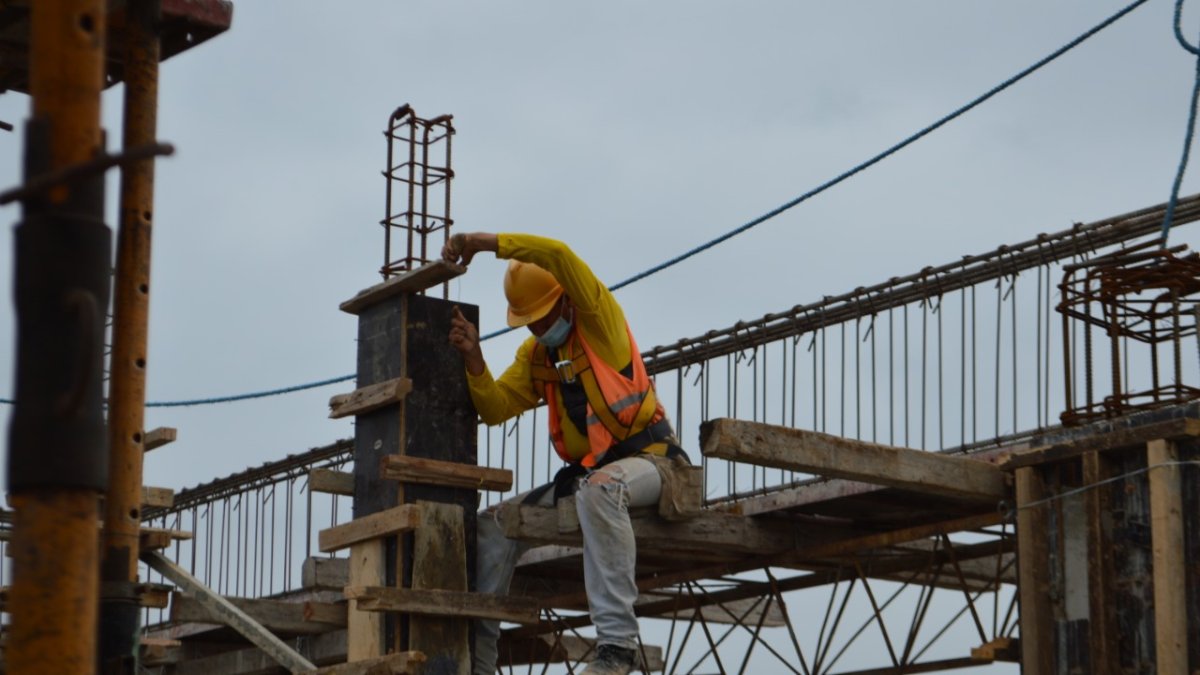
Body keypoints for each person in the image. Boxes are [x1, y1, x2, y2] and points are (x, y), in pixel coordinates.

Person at [443, 232, 688, 675]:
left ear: (566, 301)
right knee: (494, 524)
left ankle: (616, 647)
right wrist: (474, 358)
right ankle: (478, 665)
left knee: (600, 489)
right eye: (530, 321)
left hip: (658, 466)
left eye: (543, 316)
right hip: (593, 478)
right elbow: (496, 408)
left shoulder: (600, 321)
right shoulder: (537, 355)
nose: (538, 327)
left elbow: (558, 254)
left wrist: (484, 243)